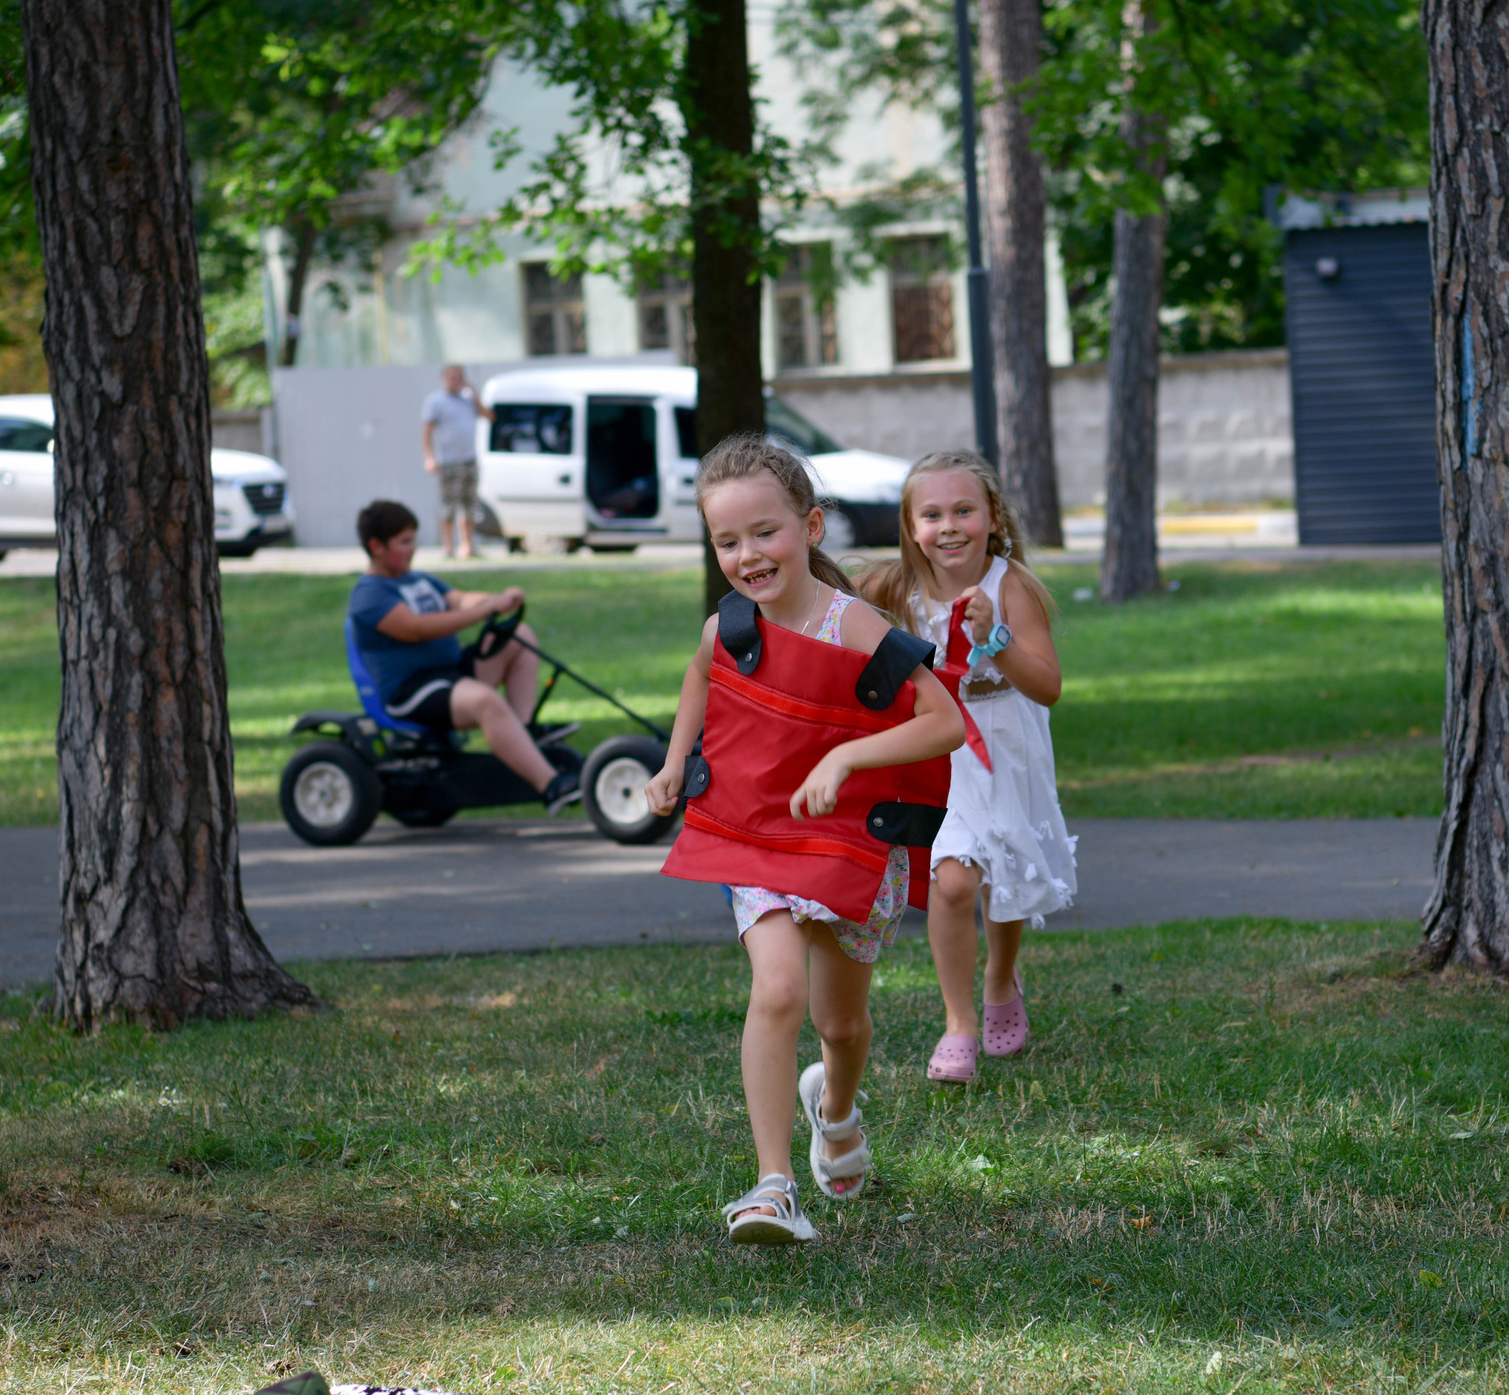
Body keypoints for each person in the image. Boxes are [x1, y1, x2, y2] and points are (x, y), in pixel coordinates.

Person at [644, 435, 966, 1246]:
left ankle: (839, 1110)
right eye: (726, 541)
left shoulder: (850, 622)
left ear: (811, 526)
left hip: (849, 842)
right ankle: (772, 1186)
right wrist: (676, 760)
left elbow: (943, 721)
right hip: (758, 832)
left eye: (765, 532)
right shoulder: (733, 622)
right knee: (779, 989)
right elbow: (700, 673)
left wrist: (847, 753)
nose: (747, 555)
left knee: (841, 1024)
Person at [859, 450, 1075, 1086]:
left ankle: (1000, 977)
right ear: (910, 526)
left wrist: (997, 639)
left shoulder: (1012, 587)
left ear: (992, 518)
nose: (948, 526)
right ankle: (959, 1025)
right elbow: (829, 601)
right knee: (952, 882)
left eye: (963, 510)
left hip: (1005, 739)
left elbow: (1049, 686)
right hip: (939, 744)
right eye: (931, 514)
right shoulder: (896, 586)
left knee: (1002, 881)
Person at [348, 499, 578, 810]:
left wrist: (497, 600)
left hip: (451, 673)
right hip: (410, 692)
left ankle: (525, 735)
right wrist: (485, 610)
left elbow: (459, 599)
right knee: (484, 700)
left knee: (519, 636)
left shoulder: (417, 580)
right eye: (404, 541)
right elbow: (418, 629)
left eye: (413, 539)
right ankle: (551, 785)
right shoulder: (369, 594)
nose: (413, 548)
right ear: (376, 546)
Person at [420, 365, 490, 560]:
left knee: (470, 506)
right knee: (448, 506)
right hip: (448, 463)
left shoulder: (469, 401)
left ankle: (468, 546)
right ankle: (448, 547)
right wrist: (429, 457)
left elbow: (488, 416)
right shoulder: (435, 401)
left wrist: (474, 392)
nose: (455, 381)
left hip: (469, 461)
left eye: (459, 377)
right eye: (451, 377)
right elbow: (427, 431)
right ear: (444, 379)